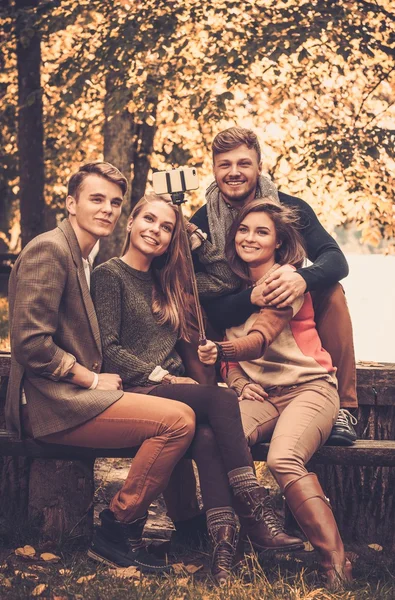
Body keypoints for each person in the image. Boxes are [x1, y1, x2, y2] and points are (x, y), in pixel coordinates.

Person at [90, 192, 304, 585]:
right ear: (132, 221)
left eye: (167, 228)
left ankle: (221, 548)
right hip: (138, 389)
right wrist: (163, 377)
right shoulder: (109, 275)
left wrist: (197, 238)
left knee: (206, 436)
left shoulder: (169, 281)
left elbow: (224, 277)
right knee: (222, 397)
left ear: (174, 239)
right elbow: (109, 349)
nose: (156, 231)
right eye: (149, 220)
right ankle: (254, 508)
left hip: (171, 390)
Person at [5, 162, 197, 574]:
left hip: (75, 396)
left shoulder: (84, 256)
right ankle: (117, 529)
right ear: (71, 203)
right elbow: (29, 344)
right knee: (178, 421)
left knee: (185, 412)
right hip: (49, 404)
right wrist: (91, 378)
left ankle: (168, 527)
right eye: (96, 199)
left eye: (114, 202)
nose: (107, 209)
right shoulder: (49, 250)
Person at [198, 199, 353, 590]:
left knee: (284, 458)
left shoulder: (286, 280)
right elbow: (226, 351)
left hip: (309, 389)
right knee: (211, 437)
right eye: (244, 230)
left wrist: (222, 352)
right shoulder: (226, 288)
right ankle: (231, 548)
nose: (250, 237)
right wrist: (234, 380)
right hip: (259, 397)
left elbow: (256, 340)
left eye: (261, 231)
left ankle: (334, 561)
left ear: (279, 242)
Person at [191, 126, 357, 444]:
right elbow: (208, 307)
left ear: (259, 166)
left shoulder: (289, 208)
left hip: (289, 310)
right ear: (213, 169)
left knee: (332, 290)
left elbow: (336, 260)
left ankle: (345, 408)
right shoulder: (201, 225)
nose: (234, 172)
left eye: (244, 163)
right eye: (225, 164)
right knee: (191, 305)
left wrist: (301, 278)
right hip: (235, 320)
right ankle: (218, 395)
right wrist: (252, 296)